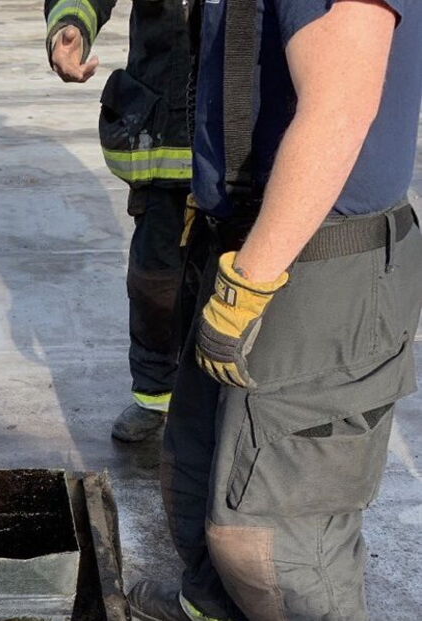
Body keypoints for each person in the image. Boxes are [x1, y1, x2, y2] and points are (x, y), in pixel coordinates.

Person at [129, 0, 422, 619]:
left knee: (280, 539)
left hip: (315, 266)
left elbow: (339, 110)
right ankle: (208, 606)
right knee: (201, 472)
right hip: (245, 242)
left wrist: (247, 286)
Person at [45, 0, 192, 442]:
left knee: (243, 275)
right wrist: (69, 28)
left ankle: (235, 403)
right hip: (163, 133)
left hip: (245, 146)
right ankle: (154, 394)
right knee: (155, 281)